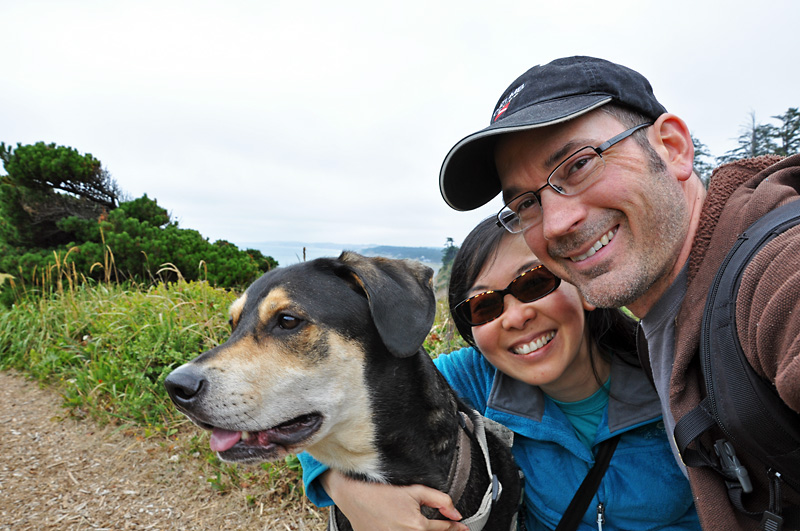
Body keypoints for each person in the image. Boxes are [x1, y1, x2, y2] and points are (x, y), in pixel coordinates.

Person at [438, 55, 800, 530]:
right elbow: (368, 385)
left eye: (580, 164)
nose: (557, 222)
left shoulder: (769, 275)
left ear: (671, 147)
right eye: (527, 203)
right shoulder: (666, 335)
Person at [298, 216, 700, 530]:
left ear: (585, 286)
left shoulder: (676, 373)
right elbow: (345, 399)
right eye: (484, 307)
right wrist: (344, 488)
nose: (517, 316)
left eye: (534, 282)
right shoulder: (477, 377)